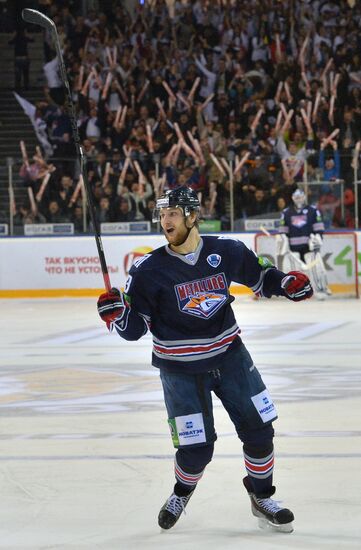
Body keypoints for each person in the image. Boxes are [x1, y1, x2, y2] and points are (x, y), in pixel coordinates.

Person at [97, 186, 313, 533]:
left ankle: (262, 497)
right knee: (196, 450)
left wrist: (286, 283)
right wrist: (118, 313)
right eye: (162, 214)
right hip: (180, 371)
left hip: (231, 358)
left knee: (260, 432)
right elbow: (134, 329)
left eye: (172, 213)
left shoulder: (225, 251)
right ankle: (181, 493)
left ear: (192, 216)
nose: (165, 220)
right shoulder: (148, 270)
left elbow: (262, 277)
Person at [279, 189, 330, 299]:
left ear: (304, 197)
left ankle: (320, 290)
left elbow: (319, 228)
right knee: (292, 272)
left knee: (316, 269)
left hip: (309, 247)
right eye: (296, 197)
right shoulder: (286, 212)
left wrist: (318, 238)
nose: (298, 199)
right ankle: (292, 292)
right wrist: (284, 242)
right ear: (293, 198)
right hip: (293, 248)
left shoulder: (313, 210)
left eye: (300, 197)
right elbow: (283, 231)